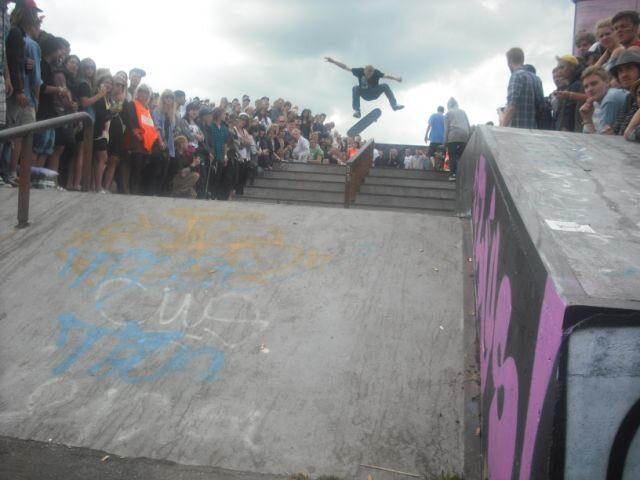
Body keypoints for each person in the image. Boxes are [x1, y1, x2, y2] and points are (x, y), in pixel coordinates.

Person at [324, 56, 404, 118]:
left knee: (385, 86)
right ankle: (357, 111)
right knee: (355, 88)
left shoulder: (376, 73)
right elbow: (345, 67)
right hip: (365, 94)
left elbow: (386, 76)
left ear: (373, 72)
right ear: (364, 71)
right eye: (367, 74)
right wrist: (333, 61)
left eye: (371, 74)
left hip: (374, 92)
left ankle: (394, 105)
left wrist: (396, 78)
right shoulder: (359, 71)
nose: (369, 76)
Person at [500, 47, 545, 129]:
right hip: (534, 131)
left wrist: (502, 127)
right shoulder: (537, 79)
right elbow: (541, 107)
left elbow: (512, 105)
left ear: (509, 61)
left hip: (518, 131)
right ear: (522, 60)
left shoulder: (517, 76)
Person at [579, 66, 628, 134]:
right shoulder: (595, 102)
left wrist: (588, 121)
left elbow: (602, 141)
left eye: (594, 84)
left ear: (607, 82)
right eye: (586, 87)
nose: (589, 89)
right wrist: (587, 119)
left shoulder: (610, 98)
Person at [609, 50, 640, 135]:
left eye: (629, 68)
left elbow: (629, 132)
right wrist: (611, 131)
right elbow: (619, 128)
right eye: (620, 71)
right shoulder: (629, 97)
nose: (624, 75)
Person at [444, 97, 470, 181]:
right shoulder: (463, 112)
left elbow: (446, 128)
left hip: (453, 136)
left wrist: (445, 141)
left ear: (448, 105)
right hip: (464, 135)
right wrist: (468, 136)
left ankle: (453, 174)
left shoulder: (448, 113)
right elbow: (468, 125)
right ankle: (464, 174)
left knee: (452, 155)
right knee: (462, 155)